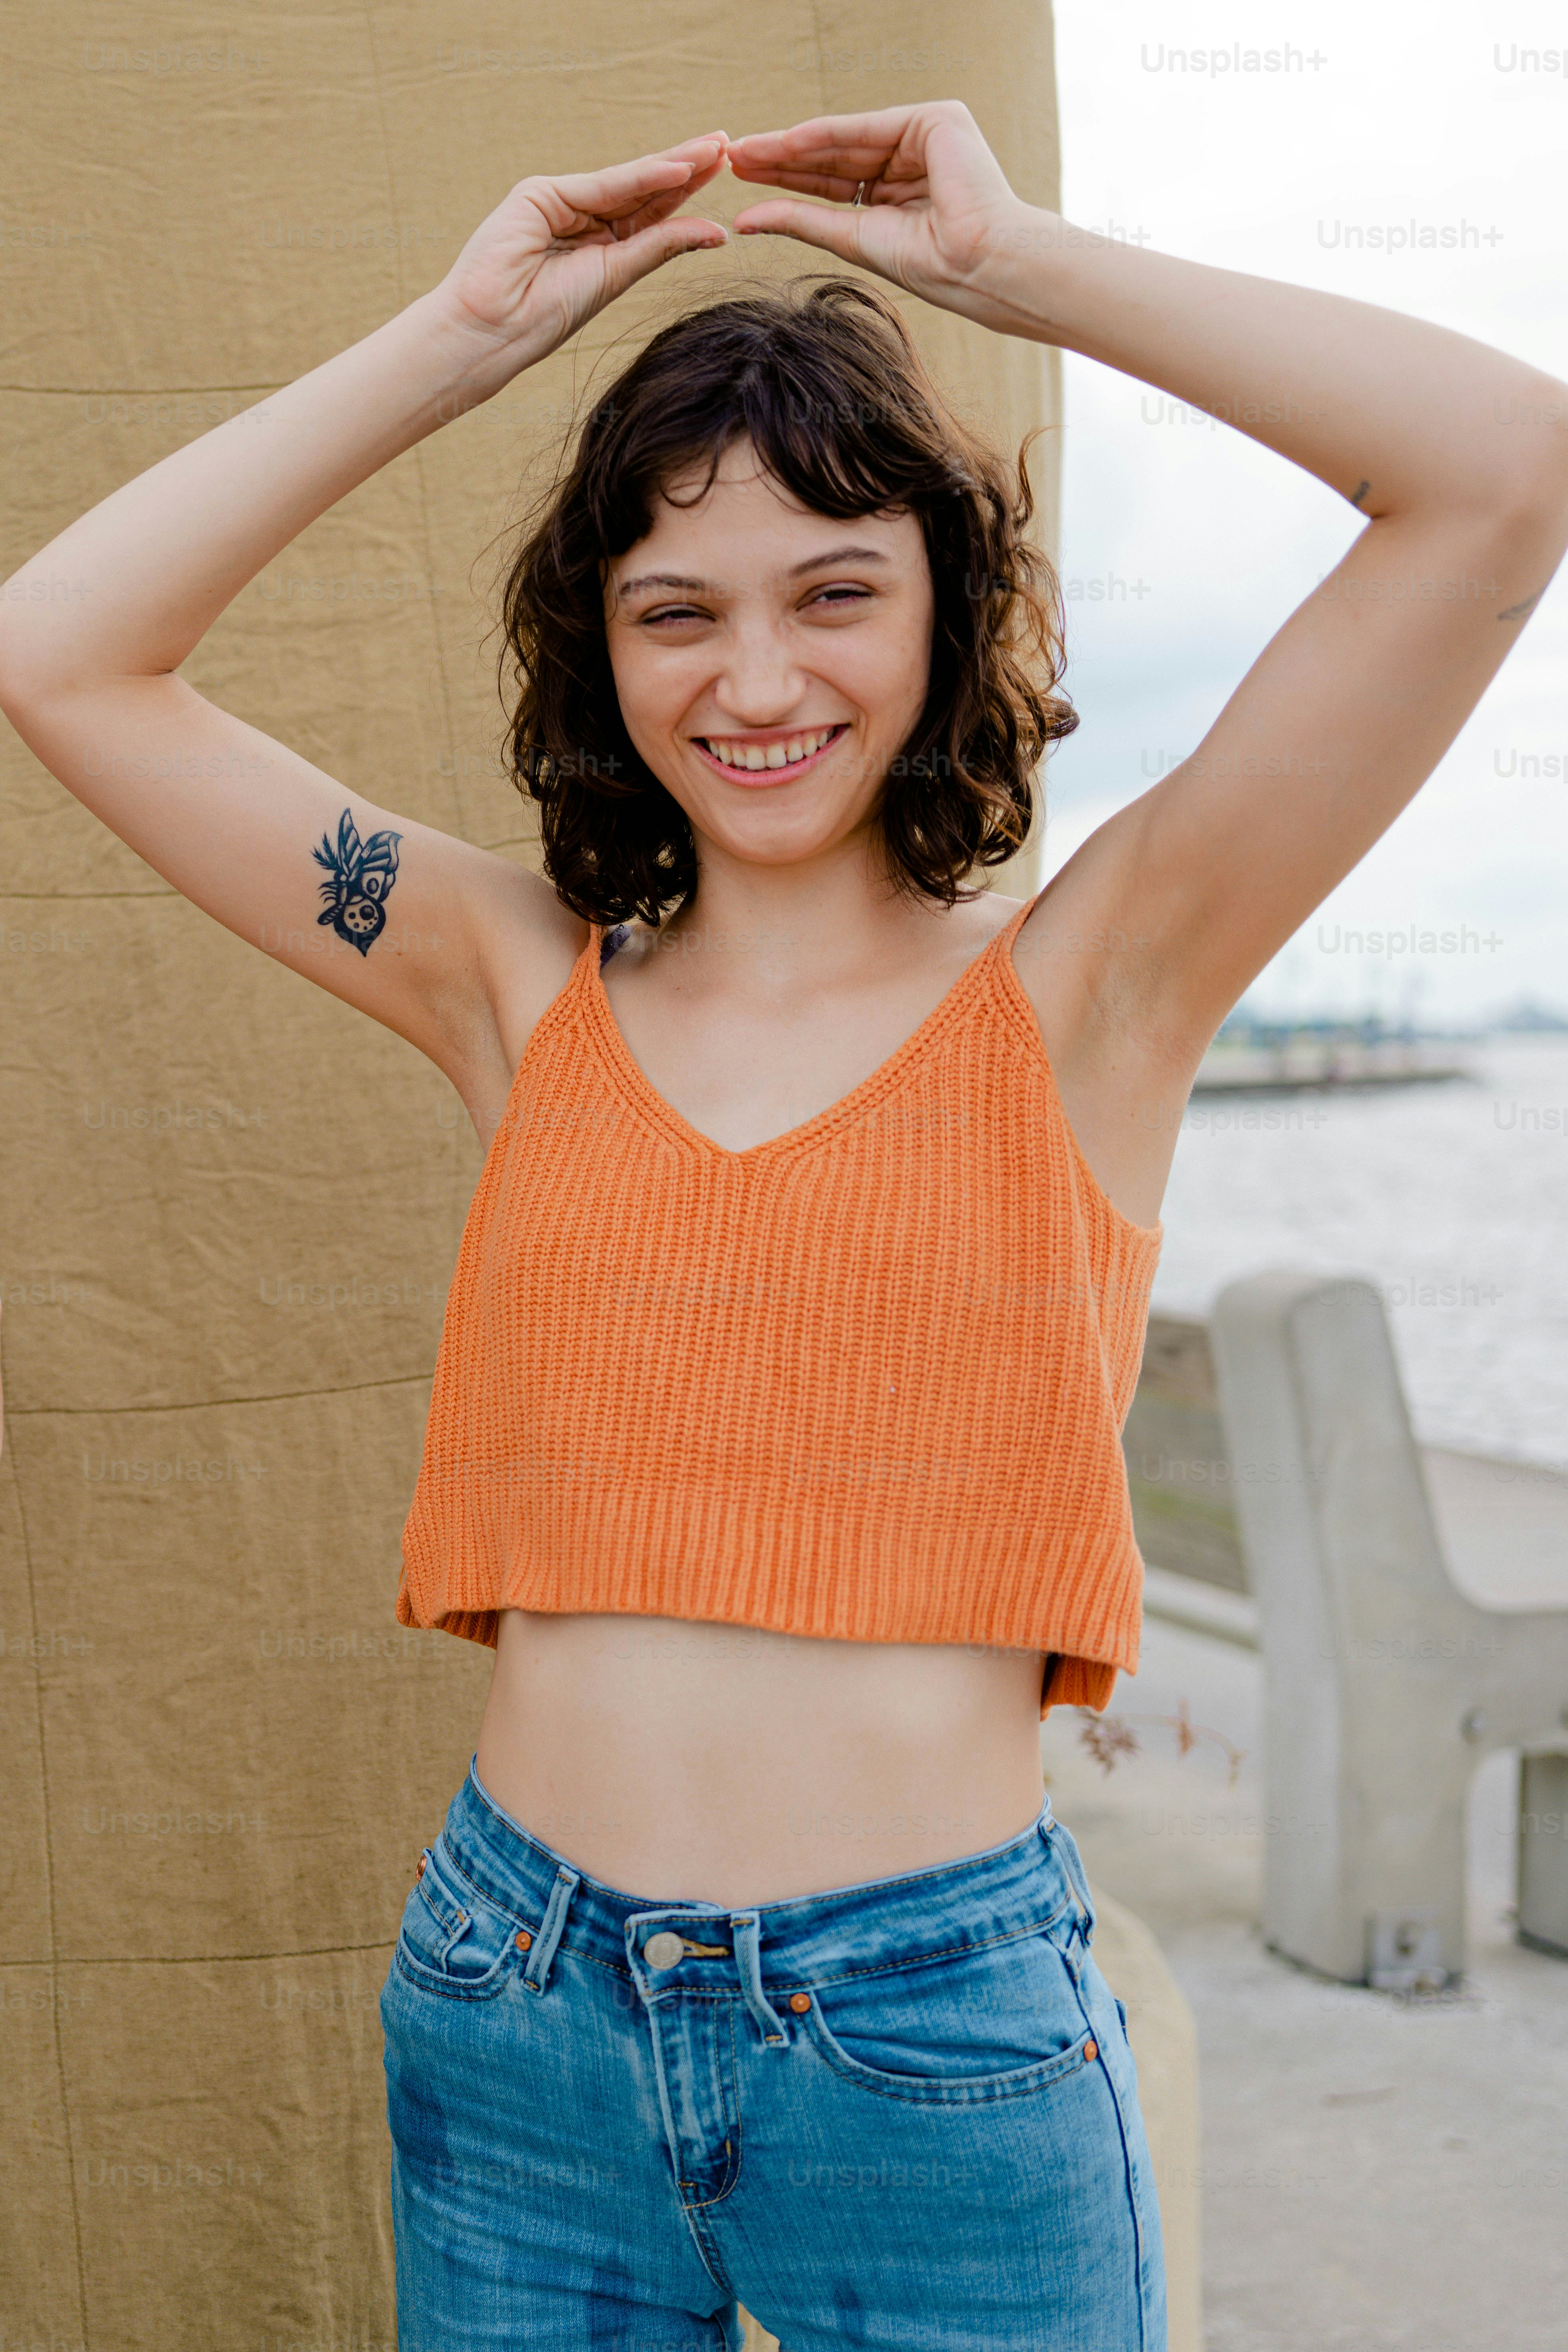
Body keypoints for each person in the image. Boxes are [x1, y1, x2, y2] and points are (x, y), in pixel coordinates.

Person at [2, 97, 1563, 2352]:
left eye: (837, 590)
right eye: (677, 613)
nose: (757, 682)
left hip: (933, 2046)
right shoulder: (504, 981)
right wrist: (460, 341)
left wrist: (1009, 265)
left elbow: (1506, 470)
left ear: (947, 601)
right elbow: (61, 649)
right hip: (514, 2009)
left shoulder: (1101, 979)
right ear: (602, 653)